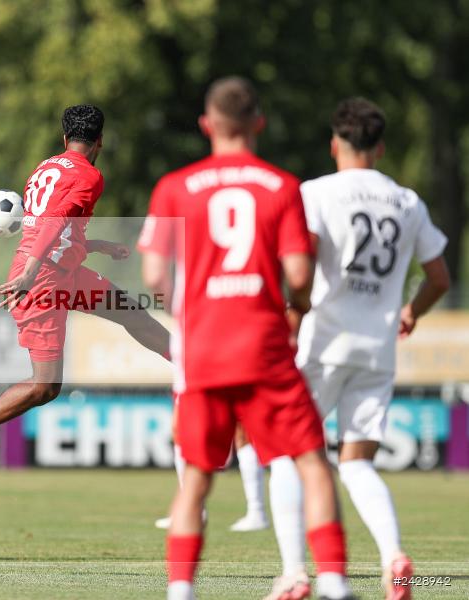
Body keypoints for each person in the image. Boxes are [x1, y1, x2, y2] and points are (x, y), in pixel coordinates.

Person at [137, 77, 352, 600]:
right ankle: (331, 583)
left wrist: (185, 309)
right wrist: (296, 310)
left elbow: (152, 274)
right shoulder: (281, 186)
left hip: (204, 349)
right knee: (311, 463)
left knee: (196, 477)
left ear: (207, 125)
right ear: (258, 123)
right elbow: (299, 275)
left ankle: (181, 591)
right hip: (263, 346)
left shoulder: (173, 185)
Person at [269, 97, 450, 600]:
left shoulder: (317, 193)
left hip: (322, 340)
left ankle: (294, 573)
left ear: (334, 144)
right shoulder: (409, 202)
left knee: (285, 453)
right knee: (356, 463)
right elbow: (439, 276)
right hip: (377, 348)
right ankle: (393, 556)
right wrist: (411, 311)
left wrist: (291, 314)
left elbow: (299, 266)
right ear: (382, 146)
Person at [0, 104, 172, 487]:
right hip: (41, 279)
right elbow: (55, 222)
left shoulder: (43, 169)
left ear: (65, 139)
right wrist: (30, 273)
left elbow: (53, 229)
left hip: (61, 272)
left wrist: (96, 245)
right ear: (100, 141)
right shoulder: (90, 175)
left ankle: (190, 366)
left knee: (131, 312)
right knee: (46, 385)